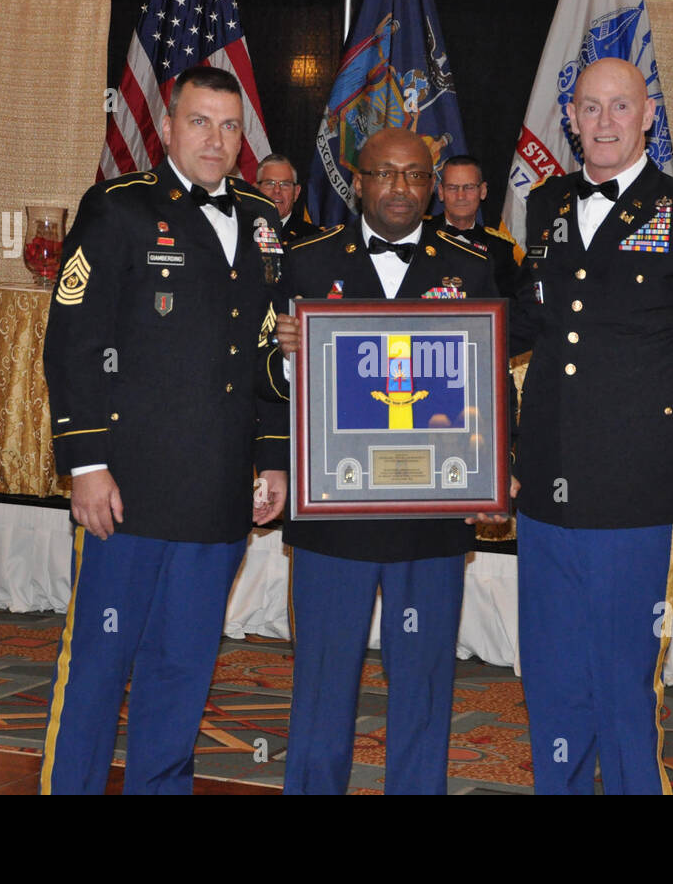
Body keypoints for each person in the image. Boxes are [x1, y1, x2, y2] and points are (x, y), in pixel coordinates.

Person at [510, 57, 673, 795]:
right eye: (589, 108)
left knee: (624, 679)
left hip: (639, 485)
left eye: (619, 107)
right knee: (553, 672)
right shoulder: (550, 203)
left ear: (648, 113)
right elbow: (529, 319)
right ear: (571, 117)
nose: (603, 122)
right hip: (547, 476)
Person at [40, 65, 289, 795]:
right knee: (97, 668)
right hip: (128, 491)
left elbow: (272, 347)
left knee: (182, 672)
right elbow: (72, 341)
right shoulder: (117, 208)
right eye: (200, 121)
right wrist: (85, 462)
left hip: (217, 492)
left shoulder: (263, 218)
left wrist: (272, 458)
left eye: (230, 125)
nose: (215, 138)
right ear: (170, 127)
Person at [271, 128, 500, 794]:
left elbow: (484, 391)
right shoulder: (305, 263)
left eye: (415, 176)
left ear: (432, 187)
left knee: (426, 687)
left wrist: (488, 468)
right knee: (320, 687)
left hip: (431, 517)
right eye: (385, 174)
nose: (401, 188)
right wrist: (284, 351)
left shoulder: (473, 267)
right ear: (358, 181)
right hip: (332, 515)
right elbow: (265, 385)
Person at [428, 154, 522, 298]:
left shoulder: (500, 248)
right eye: (452, 188)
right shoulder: (421, 234)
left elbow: (509, 303)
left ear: (482, 191)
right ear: (441, 192)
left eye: (469, 187)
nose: (461, 196)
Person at [256, 153, 320, 245]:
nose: (277, 190)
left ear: (296, 193)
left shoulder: (314, 238)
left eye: (285, 184)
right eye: (270, 183)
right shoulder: (238, 232)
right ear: (256, 190)